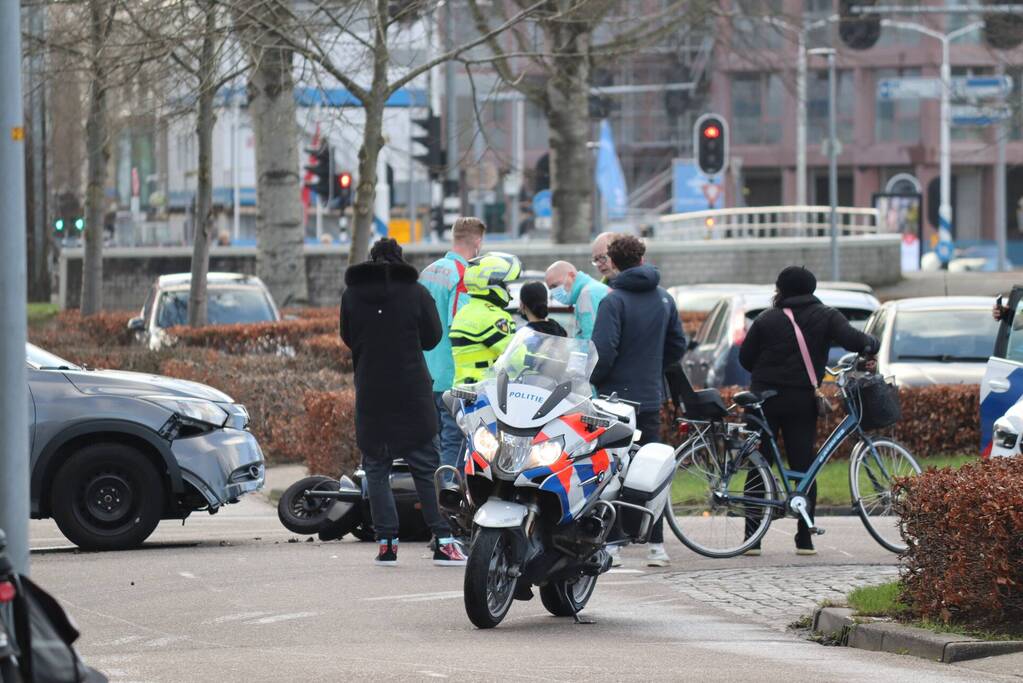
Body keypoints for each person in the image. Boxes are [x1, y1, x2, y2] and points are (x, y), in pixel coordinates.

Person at [339, 238, 467, 567]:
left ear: (370, 260)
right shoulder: (416, 292)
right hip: (412, 390)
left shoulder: (352, 295)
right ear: (400, 259)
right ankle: (443, 539)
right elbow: (432, 337)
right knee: (426, 466)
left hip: (371, 390)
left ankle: (386, 543)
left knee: (376, 468)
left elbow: (348, 337)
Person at [738, 266, 879, 556]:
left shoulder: (766, 319)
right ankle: (805, 538)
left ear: (780, 289)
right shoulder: (826, 316)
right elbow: (856, 340)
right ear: (812, 289)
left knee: (758, 466)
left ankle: (752, 539)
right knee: (805, 467)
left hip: (762, 399)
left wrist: (769, 374)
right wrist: (872, 345)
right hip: (800, 399)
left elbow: (745, 358)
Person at [590, 235, 687, 567]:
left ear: (613, 262)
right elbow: (677, 345)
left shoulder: (613, 300)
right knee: (652, 471)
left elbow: (603, 351)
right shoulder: (663, 298)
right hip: (649, 395)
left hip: (615, 399)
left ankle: (614, 545)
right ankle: (656, 547)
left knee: (613, 471)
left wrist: (595, 379)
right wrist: (655, 369)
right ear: (643, 258)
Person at [419, 217, 485, 474]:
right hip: (451, 376)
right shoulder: (464, 275)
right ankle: (446, 502)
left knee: (430, 445)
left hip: (425, 373)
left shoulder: (429, 271)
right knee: (452, 443)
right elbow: (460, 326)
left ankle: (428, 498)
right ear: (477, 242)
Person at [449, 252, 521, 385]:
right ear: (493, 283)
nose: (508, 289)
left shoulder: (464, 311)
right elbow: (516, 357)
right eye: (505, 284)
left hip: (462, 390)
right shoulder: (493, 316)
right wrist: (543, 359)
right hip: (486, 392)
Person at [545, 260, 609, 341]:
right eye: (550, 288)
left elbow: (591, 342)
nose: (554, 291)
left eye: (555, 285)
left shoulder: (587, 295)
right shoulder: (592, 289)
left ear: (571, 275)